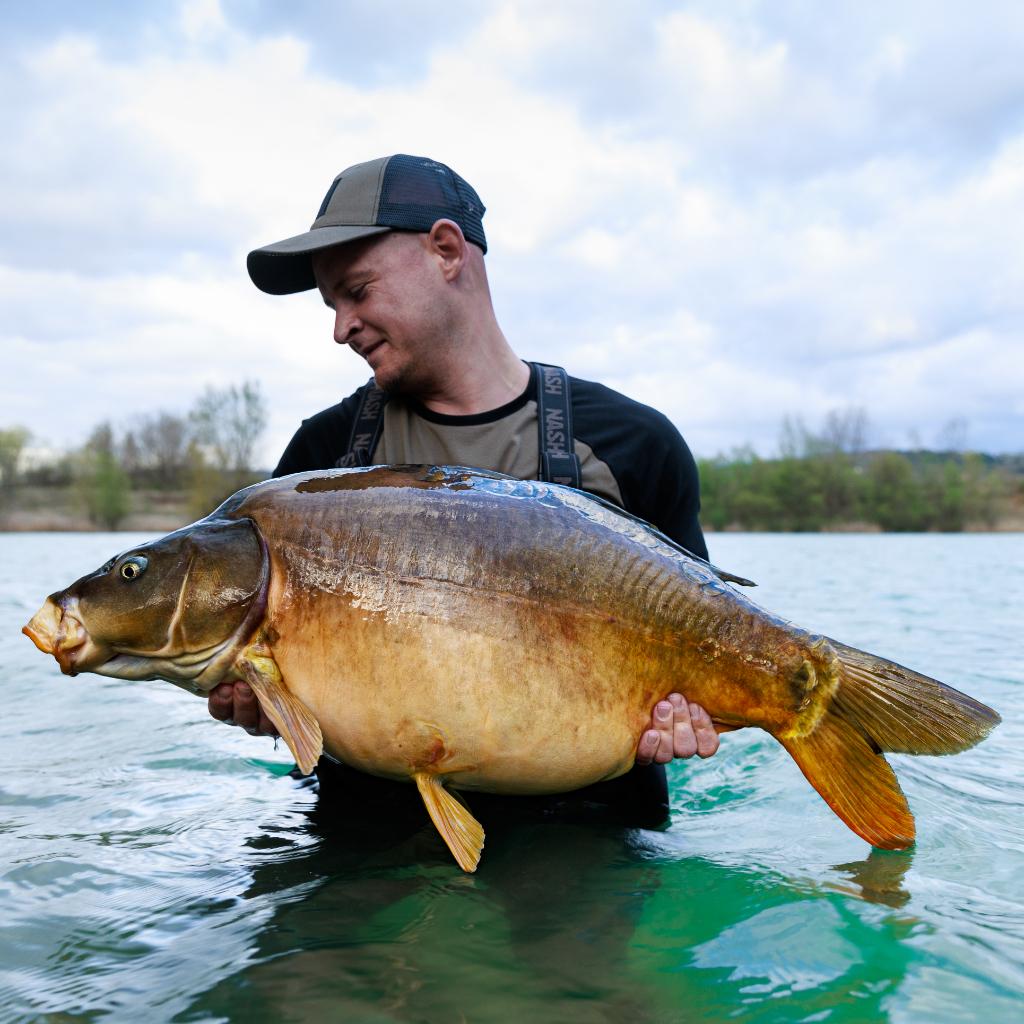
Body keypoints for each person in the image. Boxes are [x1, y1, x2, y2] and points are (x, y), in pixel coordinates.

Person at [209, 154, 722, 826]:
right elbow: (281, 686)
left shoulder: (634, 445)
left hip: (590, 851)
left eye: (357, 291)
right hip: (371, 854)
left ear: (447, 250)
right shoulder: (317, 464)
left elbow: (705, 653)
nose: (340, 328)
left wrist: (687, 718)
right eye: (330, 305)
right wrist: (261, 706)